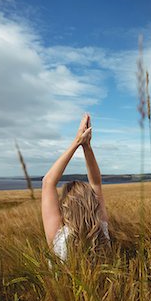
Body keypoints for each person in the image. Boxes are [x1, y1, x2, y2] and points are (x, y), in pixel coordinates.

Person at [41, 113, 111, 264]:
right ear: (93, 203)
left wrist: (77, 142)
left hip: (61, 288)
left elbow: (48, 182)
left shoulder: (58, 239)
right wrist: (87, 146)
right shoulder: (102, 231)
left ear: (65, 205)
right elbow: (96, 183)